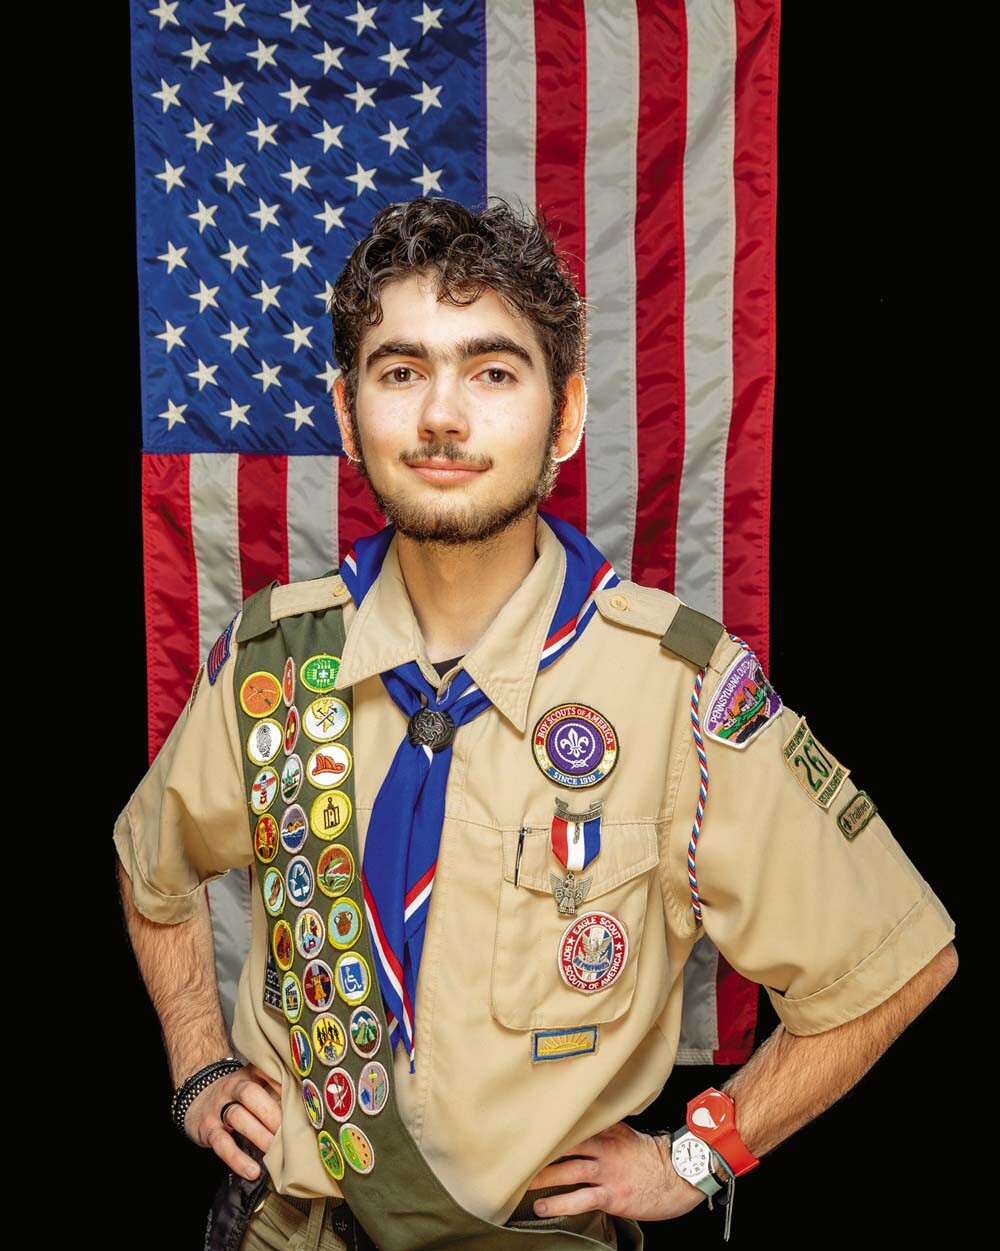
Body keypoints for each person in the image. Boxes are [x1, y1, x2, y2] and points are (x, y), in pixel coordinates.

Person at [114, 197, 957, 1251]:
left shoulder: (675, 693)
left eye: (493, 372)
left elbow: (891, 959)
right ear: (347, 414)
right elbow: (151, 864)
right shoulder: (273, 664)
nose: (442, 416)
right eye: (400, 371)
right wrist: (198, 1059)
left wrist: (695, 1156)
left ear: (564, 418)